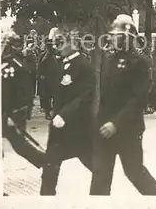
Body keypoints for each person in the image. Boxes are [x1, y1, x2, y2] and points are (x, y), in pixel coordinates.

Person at [90, 14, 156, 196]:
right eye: (112, 35)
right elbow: (106, 97)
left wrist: (116, 123)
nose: (112, 38)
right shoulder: (109, 60)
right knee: (100, 177)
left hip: (128, 129)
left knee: (134, 172)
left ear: (127, 38)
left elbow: (138, 100)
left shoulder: (140, 63)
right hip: (105, 130)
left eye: (116, 35)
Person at [40, 33, 95, 195]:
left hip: (78, 128)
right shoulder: (58, 64)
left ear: (74, 44)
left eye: (61, 42)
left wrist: (64, 114)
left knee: (96, 167)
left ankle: (104, 197)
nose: (58, 46)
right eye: (57, 42)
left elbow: (85, 96)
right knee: (50, 166)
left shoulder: (84, 66)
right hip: (59, 129)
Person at [1, 28, 45, 184]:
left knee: (20, 145)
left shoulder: (16, 65)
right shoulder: (1, 63)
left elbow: (24, 92)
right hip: (0, 113)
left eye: (4, 43)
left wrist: (15, 115)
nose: (2, 46)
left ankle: (46, 163)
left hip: (10, 114)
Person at [37, 39, 63, 120]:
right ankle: (47, 113)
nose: (50, 47)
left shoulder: (58, 53)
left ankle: (56, 113)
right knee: (47, 98)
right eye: (48, 45)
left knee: (57, 97)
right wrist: (41, 77)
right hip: (47, 80)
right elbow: (39, 67)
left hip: (56, 78)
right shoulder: (43, 55)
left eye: (51, 45)